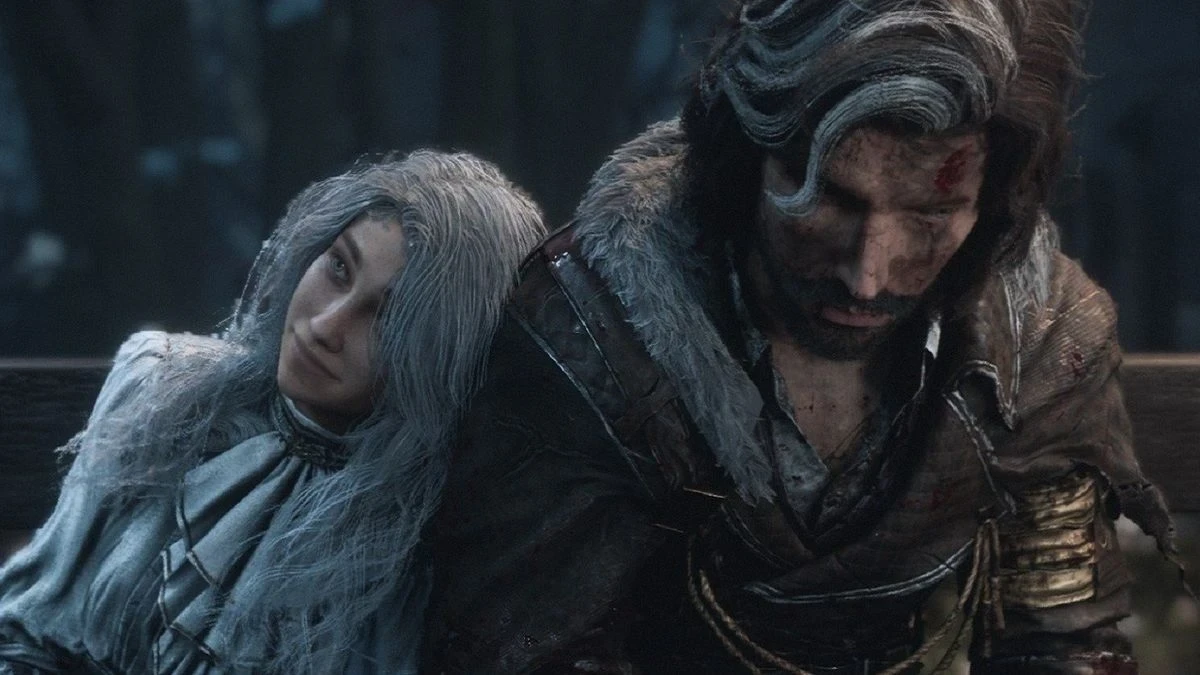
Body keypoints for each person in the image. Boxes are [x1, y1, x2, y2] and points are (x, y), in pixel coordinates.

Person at [423, 1, 1181, 673]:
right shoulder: (594, 330)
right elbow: (522, 647)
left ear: (991, 205)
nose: (867, 276)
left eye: (929, 215)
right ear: (747, 158)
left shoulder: (1039, 339)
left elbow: (1060, 639)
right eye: (831, 201)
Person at [0, 150, 544, 674]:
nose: (325, 326)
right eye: (338, 267)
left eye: (387, 317)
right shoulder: (156, 385)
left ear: (443, 357)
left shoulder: (415, 546)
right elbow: (27, 626)